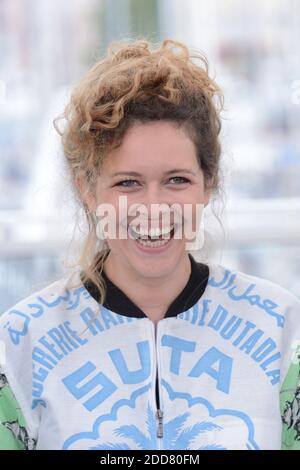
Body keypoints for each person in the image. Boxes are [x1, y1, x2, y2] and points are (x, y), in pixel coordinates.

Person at [0, 38, 299, 451]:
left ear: (208, 184)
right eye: (128, 183)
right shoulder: (19, 343)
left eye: (177, 180)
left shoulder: (283, 329)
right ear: (87, 189)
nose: (153, 208)